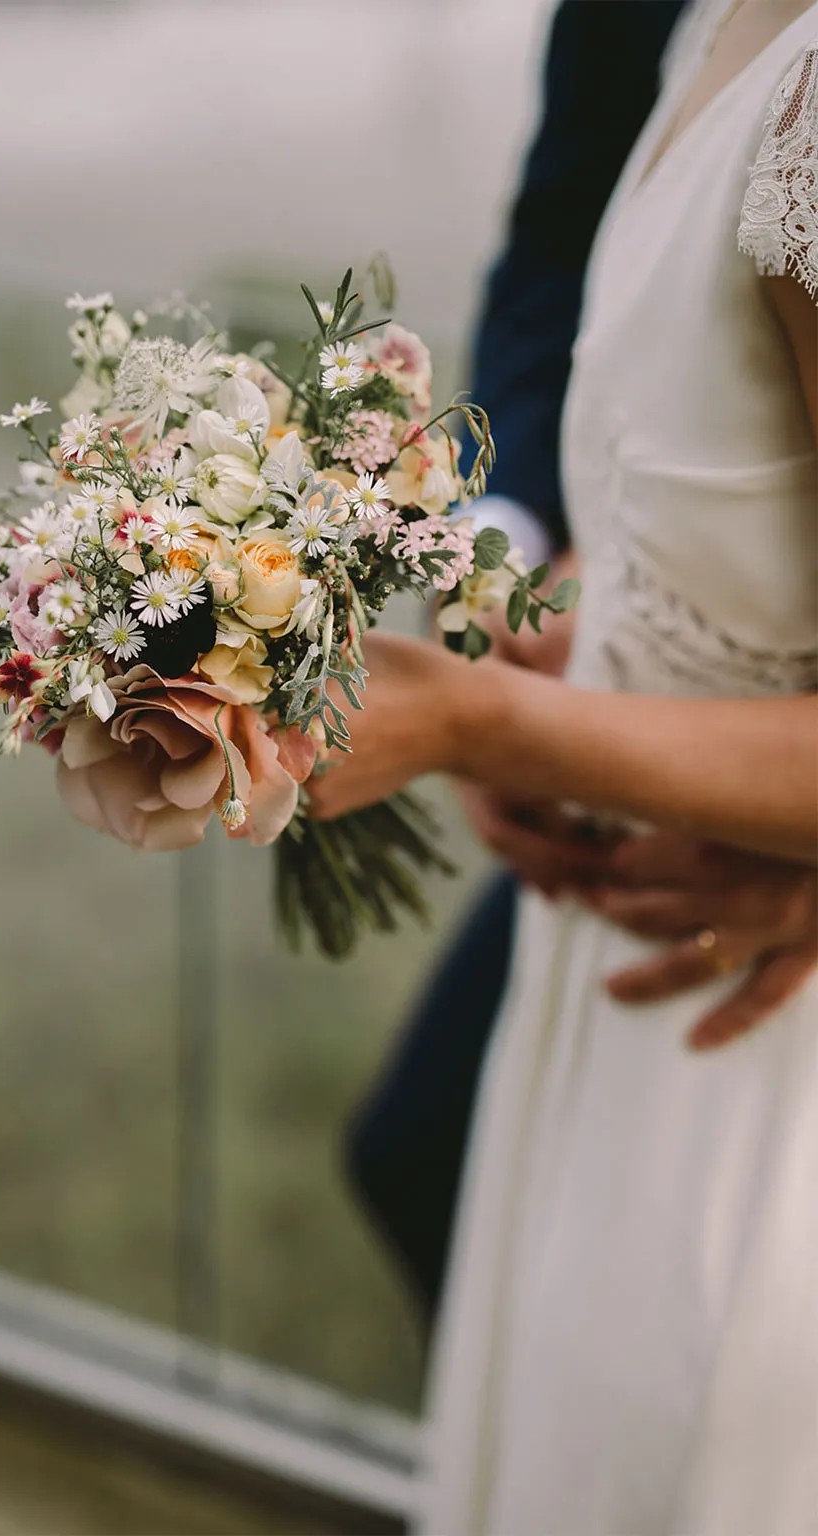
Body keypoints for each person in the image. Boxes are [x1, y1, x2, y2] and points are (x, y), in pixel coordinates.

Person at [310, 0, 818, 1529]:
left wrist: (477, 719)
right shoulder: (710, 29)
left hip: (748, 1027)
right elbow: (573, 286)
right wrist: (514, 601)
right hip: (607, 939)